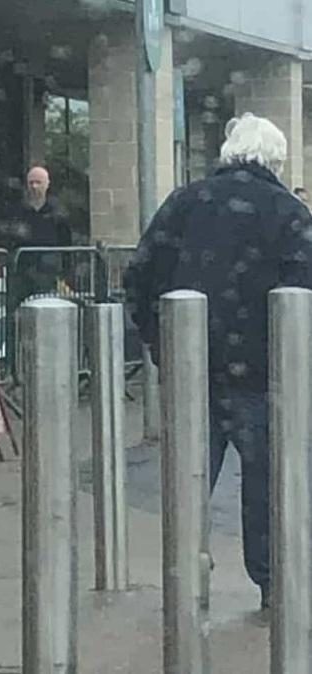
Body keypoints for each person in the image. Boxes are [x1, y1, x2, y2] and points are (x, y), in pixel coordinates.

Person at [125, 112, 312, 610]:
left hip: (194, 366)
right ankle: (271, 583)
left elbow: (140, 276)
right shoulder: (288, 213)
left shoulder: (185, 203)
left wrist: (163, 345)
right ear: (274, 158)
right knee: (266, 482)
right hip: (261, 370)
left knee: (189, 476)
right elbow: (304, 291)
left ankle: (185, 573)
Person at [0, 166, 73, 250]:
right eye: (31, 182)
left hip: (51, 260)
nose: (34, 186)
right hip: (24, 260)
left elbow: (66, 244)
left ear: (47, 184)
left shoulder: (58, 212)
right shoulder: (17, 211)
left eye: (38, 182)